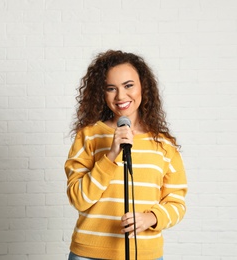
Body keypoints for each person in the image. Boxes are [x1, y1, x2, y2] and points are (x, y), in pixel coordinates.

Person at [64, 50, 188, 260]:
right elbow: (78, 199)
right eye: (111, 89)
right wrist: (111, 154)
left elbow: (176, 202)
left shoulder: (164, 145)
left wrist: (151, 218)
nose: (121, 96)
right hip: (89, 254)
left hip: (146, 254)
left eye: (128, 85)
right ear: (101, 94)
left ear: (143, 87)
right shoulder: (89, 136)